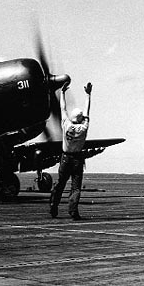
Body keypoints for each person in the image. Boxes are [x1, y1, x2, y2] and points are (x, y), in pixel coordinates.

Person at [49, 81, 92, 220]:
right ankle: (73, 211)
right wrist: (88, 95)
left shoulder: (66, 124)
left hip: (65, 157)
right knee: (76, 187)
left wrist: (62, 93)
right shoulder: (84, 127)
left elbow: (63, 108)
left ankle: (53, 206)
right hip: (77, 158)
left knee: (60, 183)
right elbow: (87, 111)